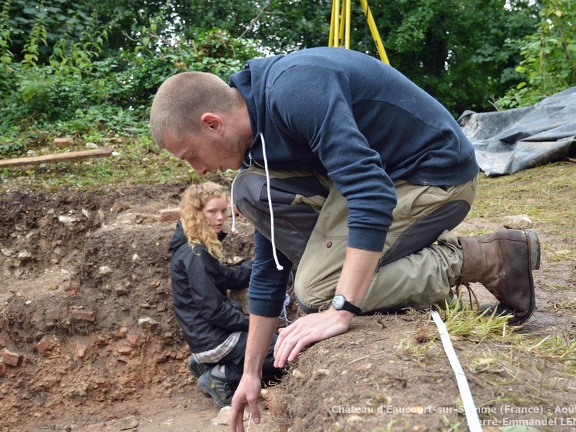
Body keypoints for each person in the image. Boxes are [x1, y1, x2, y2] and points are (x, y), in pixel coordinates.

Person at [150, 47, 540, 431]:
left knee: (317, 292)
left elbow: (371, 193)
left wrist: (340, 309)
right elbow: (271, 264)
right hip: (379, 177)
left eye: (190, 155)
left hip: (434, 174)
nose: (198, 170)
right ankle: (364, 265)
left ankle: (485, 256)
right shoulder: (257, 149)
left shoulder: (294, 90)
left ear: (212, 123)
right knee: (250, 190)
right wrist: (250, 372)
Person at [168, 181, 282, 408]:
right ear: (196, 214)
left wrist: (261, 265)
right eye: (212, 212)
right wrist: (255, 323)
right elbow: (214, 310)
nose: (220, 217)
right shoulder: (195, 255)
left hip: (206, 337)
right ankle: (222, 375)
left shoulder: (196, 246)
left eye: (223, 211)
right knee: (284, 353)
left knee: (279, 347)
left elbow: (226, 277)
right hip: (215, 339)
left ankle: (211, 367)